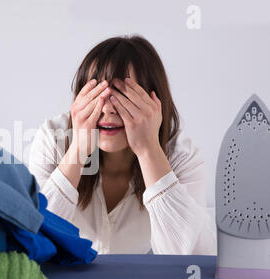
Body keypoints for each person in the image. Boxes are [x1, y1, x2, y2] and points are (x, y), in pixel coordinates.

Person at [28, 35, 216, 255]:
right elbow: (34, 239)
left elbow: (192, 261)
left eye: (122, 95)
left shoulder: (182, 155)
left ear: (153, 103)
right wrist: (78, 150)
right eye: (98, 93)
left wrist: (149, 151)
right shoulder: (53, 140)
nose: (108, 109)